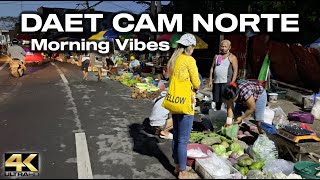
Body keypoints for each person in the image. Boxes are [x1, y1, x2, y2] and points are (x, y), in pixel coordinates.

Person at [166, 33, 201, 179]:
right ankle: (183, 171)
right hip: (186, 103)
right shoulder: (189, 60)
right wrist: (197, 85)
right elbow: (197, 82)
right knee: (183, 139)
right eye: (193, 46)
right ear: (190, 46)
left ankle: (176, 166)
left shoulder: (174, 60)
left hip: (175, 102)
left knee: (176, 136)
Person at [208, 39, 238, 110]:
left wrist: (232, 82)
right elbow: (212, 68)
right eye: (222, 46)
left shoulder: (232, 57)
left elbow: (235, 70)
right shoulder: (217, 57)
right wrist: (210, 80)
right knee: (217, 101)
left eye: (225, 46)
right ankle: (218, 116)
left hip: (226, 82)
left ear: (229, 47)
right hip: (216, 82)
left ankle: (229, 117)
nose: (223, 48)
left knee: (228, 101)